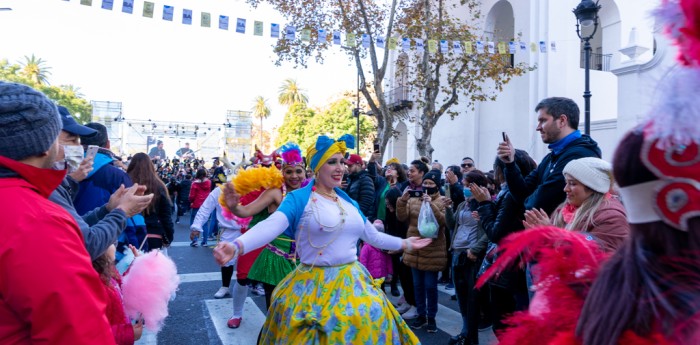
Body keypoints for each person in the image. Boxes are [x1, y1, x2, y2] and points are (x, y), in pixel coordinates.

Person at [214, 134, 431, 344]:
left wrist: (406, 243)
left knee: (368, 321)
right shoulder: (298, 199)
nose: (340, 168)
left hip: (352, 282)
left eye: (342, 162)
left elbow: (373, 237)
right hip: (311, 284)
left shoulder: (349, 203)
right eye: (332, 162)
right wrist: (236, 246)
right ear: (317, 168)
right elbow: (270, 226)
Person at [0, 81, 115, 343]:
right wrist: (119, 213)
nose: (75, 145)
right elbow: (79, 333)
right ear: (43, 144)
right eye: (64, 137)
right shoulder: (36, 220)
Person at [48, 108, 153, 260]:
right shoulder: (38, 189)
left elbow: (73, 228)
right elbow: (86, 242)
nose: (77, 148)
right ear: (44, 143)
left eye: (79, 141)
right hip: (101, 254)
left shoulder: (57, 184)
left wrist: (107, 209)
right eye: (71, 140)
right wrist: (122, 211)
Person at [231, 143, 307, 309]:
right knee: (275, 311)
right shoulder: (275, 193)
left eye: (298, 171)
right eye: (289, 171)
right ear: (282, 173)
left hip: (304, 261)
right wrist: (233, 206)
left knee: (299, 312)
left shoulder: (311, 194)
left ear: (305, 172)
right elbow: (246, 211)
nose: (294, 176)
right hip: (276, 260)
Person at [498, 97, 601, 215]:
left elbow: (537, 205)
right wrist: (510, 164)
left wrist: (526, 204)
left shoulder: (579, 154)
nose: (538, 127)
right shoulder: (552, 156)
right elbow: (522, 193)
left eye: (543, 120)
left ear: (562, 120)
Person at [473, 149, 537, 336]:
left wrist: (485, 204)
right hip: (517, 265)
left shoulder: (510, 196)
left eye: (496, 169)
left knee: (505, 325)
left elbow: (497, 233)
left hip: (509, 266)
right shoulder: (522, 192)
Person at [522, 157, 630, 252]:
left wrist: (552, 235)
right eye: (566, 183)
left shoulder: (612, 217)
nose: (565, 189)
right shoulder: (564, 210)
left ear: (593, 187)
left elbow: (598, 260)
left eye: (572, 183)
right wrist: (537, 238)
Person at [396, 170, 448, 333]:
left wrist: (430, 204)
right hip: (414, 247)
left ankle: (431, 318)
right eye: (425, 183)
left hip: (432, 250)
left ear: (437, 185)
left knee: (430, 286)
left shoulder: (442, 200)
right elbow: (402, 217)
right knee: (417, 285)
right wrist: (402, 201)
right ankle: (421, 314)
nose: (427, 186)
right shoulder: (413, 199)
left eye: (431, 184)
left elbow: (443, 222)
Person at [446, 170, 490, 345]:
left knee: (472, 300)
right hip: (457, 252)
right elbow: (451, 225)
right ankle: (466, 332)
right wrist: (448, 208)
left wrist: (476, 249)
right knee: (461, 296)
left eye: (467, 186)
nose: (464, 189)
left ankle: (472, 337)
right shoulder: (462, 205)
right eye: (464, 186)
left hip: (471, 256)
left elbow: (489, 232)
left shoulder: (485, 205)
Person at [74, 121, 134, 216]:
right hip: (106, 229)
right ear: (108, 144)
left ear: (80, 143)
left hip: (66, 228)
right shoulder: (118, 176)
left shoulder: (63, 170)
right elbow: (131, 215)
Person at [92, 244, 144, 345]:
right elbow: (94, 332)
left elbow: (123, 285)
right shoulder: (94, 285)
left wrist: (137, 264)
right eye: (110, 241)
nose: (115, 244)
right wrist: (128, 333)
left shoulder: (108, 271)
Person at [127, 152, 174, 251]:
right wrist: (169, 237)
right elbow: (166, 216)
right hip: (153, 234)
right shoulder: (159, 186)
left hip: (129, 232)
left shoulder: (126, 183)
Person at [359, 220, 394, 290]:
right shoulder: (367, 247)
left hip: (382, 277)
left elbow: (388, 261)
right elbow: (363, 261)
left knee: (382, 293)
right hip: (371, 278)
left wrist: (390, 272)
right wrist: (364, 274)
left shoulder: (384, 248)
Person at [345, 153, 376, 220]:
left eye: (350, 166)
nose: (348, 168)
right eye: (347, 166)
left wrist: (355, 216)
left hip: (361, 218)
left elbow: (366, 203)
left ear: (358, 165)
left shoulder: (366, 179)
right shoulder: (352, 179)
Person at [189, 168, 211, 247]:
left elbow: (192, 196)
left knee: (194, 222)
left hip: (196, 204)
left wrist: (191, 201)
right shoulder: (208, 182)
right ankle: (204, 241)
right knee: (204, 223)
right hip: (206, 205)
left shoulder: (194, 184)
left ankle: (194, 240)